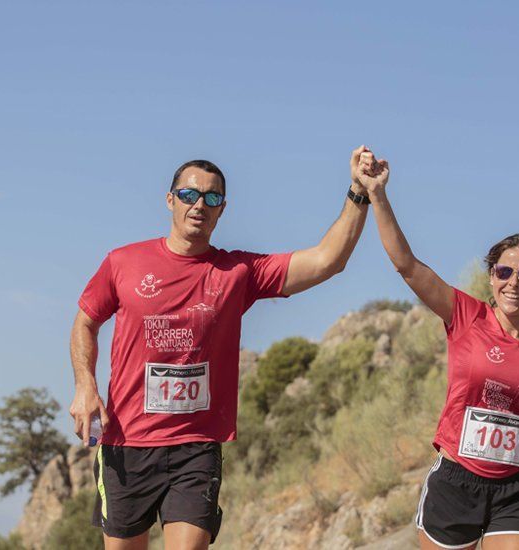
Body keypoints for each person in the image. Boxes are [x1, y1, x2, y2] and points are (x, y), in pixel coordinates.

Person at [69, 147, 388, 550]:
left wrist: (358, 192)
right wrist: (85, 386)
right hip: (128, 443)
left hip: (195, 447)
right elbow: (85, 322)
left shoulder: (238, 272)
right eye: (188, 195)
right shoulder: (123, 262)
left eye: (212, 198)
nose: (199, 204)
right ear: (170, 200)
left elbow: (328, 260)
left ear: (222, 209)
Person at [355, 151, 519, 550]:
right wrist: (378, 195)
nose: (514, 283)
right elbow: (407, 265)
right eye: (504, 272)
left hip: (516, 490)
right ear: (491, 277)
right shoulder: (464, 316)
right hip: (455, 484)